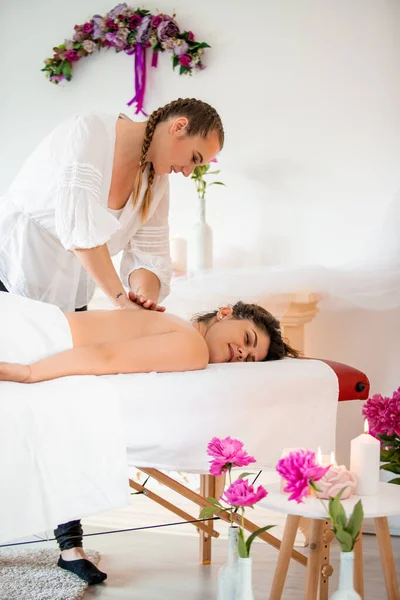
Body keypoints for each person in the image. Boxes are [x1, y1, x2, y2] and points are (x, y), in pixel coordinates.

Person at [0, 97, 224, 583]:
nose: (190, 172)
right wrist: (119, 299)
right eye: (196, 159)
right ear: (178, 127)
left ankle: (70, 542)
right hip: (11, 275)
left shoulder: (156, 179)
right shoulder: (89, 134)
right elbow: (80, 233)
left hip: (69, 293)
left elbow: (150, 253)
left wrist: (140, 295)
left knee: (64, 404)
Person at [0, 293, 298, 385]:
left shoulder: (175, 326)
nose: (243, 353)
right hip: (37, 338)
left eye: (251, 358)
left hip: (33, 322)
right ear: (224, 312)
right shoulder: (193, 348)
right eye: (247, 339)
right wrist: (30, 373)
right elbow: (105, 356)